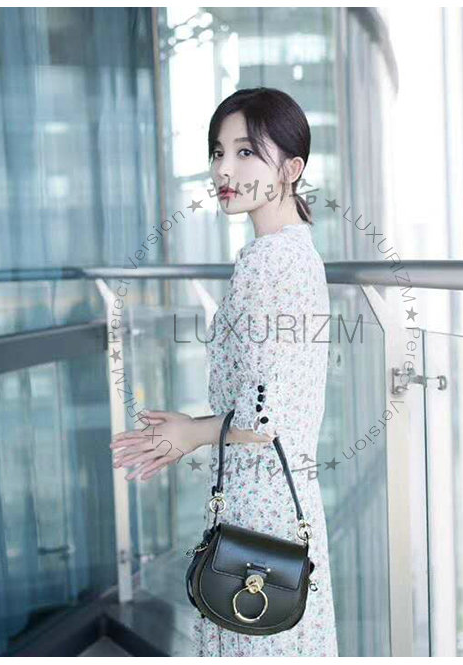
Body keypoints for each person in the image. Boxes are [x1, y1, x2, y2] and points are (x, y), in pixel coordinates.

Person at [109, 87, 338, 656]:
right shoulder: (298, 252)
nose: (222, 169)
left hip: (258, 511)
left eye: (245, 152)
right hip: (286, 501)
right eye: (218, 152)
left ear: (291, 169)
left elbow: (264, 417)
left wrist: (189, 433)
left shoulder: (267, 261)